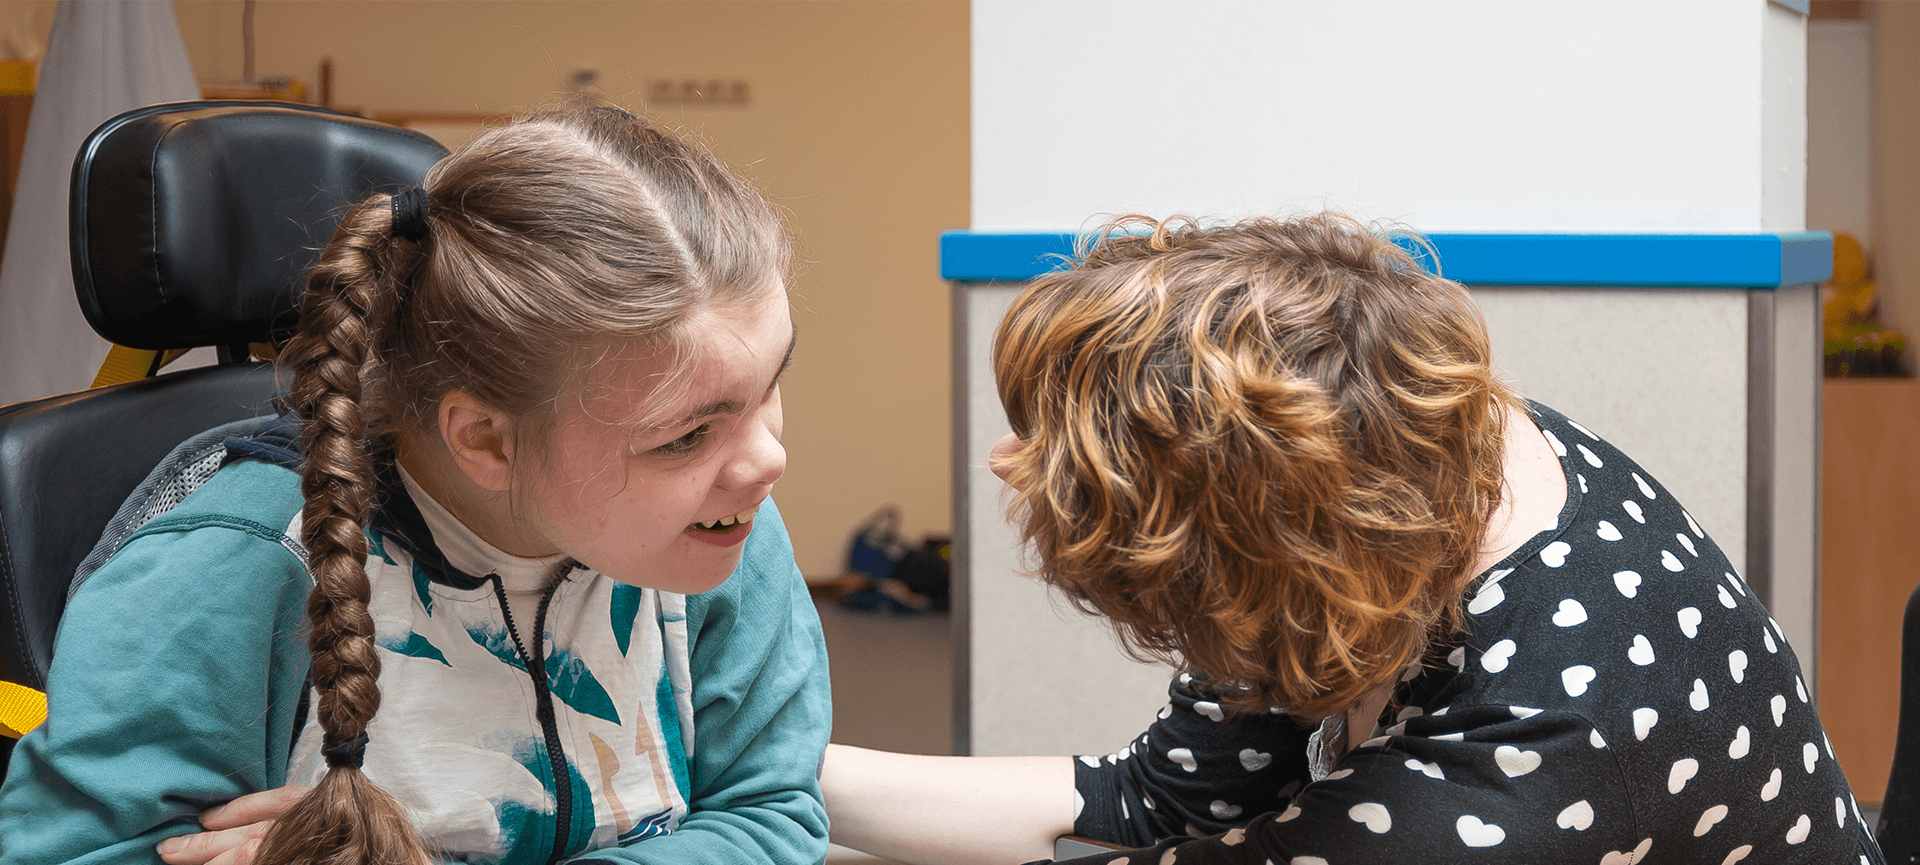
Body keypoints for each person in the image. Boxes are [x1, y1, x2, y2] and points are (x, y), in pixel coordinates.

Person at [821, 213, 1882, 864]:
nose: (1007, 461)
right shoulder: (1421, 457)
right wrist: (776, 772)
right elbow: (1158, 802)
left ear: (1250, 546)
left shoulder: (1541, 739)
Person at [0, 105, 830, 865]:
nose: (765, 462)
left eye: (770, 387)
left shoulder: (719, 525)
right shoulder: (236, 568)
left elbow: (771, 812)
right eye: (687, 433)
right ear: (485, 439)